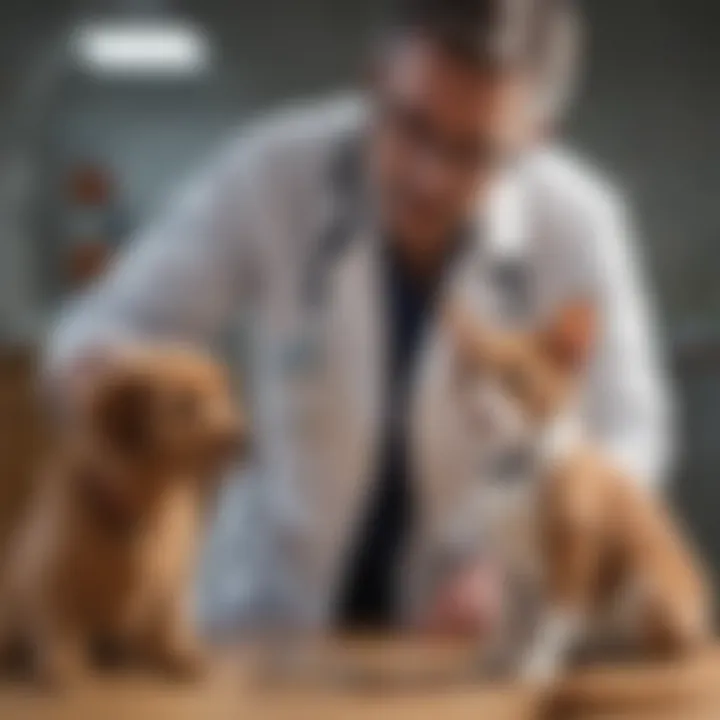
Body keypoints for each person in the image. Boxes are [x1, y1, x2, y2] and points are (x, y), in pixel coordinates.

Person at [48, 0, 671, 636]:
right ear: (374, 78)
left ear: (538, 139)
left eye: (476, 152)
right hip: (268, 619)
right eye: (411, 126)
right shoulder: (271, 174)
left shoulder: (581, 222)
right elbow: (108, 323)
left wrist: (525, 557)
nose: (430, 177)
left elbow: (629, 431)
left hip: (464, 636)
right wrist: (101, 377)